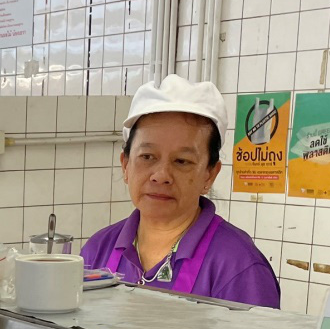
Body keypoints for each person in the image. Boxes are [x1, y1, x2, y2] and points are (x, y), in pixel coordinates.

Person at [79, 75, 280, 308]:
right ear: (126, 165)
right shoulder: (98, 249)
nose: (161, 175)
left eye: (182, 161)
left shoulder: (239, 267)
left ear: (209, 175)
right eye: (147, 157)